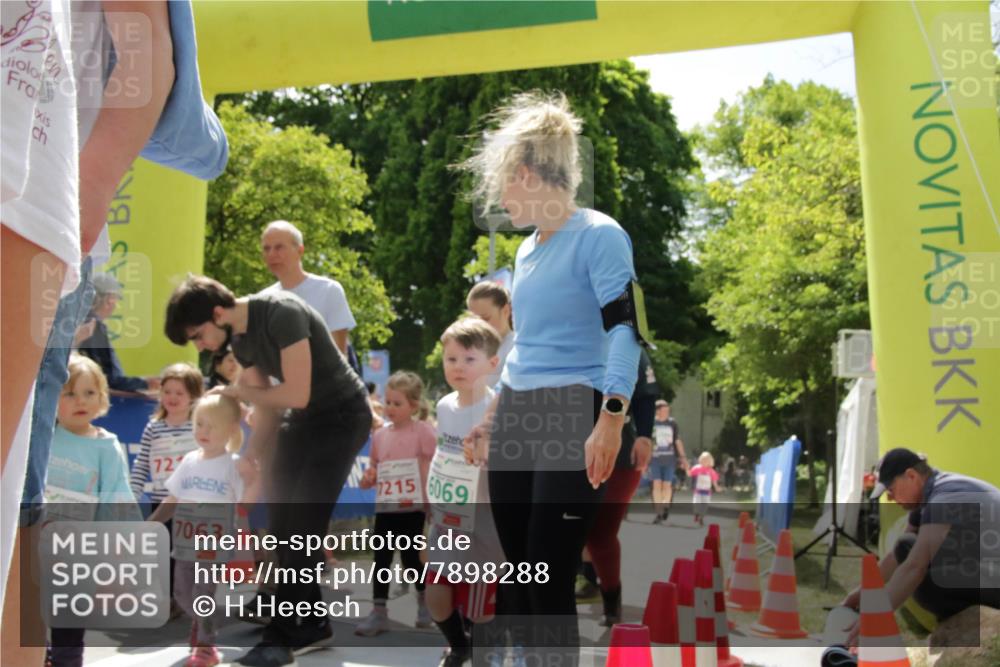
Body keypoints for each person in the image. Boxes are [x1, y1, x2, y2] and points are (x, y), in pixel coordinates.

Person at [3, 3, 227, 651]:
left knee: (14, 498)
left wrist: (91, 190)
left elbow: (141, 30)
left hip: (27, 190)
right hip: (36, 195)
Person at [461, 92, 642, 665]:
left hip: (576, 405)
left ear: (524, 174)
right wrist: (491, 418)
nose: (499, 200)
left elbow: (626, 331)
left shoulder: (600, 234)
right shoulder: (525, 252)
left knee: (548, 572)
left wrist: (611, 418)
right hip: (520, 411)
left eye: (503, 187)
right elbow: (523, 351)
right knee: (520, 570)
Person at [165, 275, 371, 667]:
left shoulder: (282, 312)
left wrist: (237, 391)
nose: (201, 345)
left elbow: (296, 392)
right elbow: (270, 407)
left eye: (198, 334)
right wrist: (251, 453)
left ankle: (281, 634)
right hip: (304, 420)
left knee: (303, 525)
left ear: (218, 313)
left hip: (343, 415)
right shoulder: (241, 342)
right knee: (281, 525)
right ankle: (313, 624)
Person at [832, 448, 1000, 657]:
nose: (891, 499)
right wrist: (858, 594)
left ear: (911, 476)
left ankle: (969, 626)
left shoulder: (946, 494)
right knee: (906, 547)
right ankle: (958, 626)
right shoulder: (933, 492)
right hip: (988, 569)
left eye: (891, 490)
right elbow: (897, 555)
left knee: (924, 587)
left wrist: (875, 618)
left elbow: (915, 566)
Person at [44, 354, 140, 666]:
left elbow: (116, 503)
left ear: (102, 398)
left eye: (89, 392)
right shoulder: (42, 438)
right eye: (69, 393)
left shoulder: (106, 446)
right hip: (33, 546)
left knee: (68, 625)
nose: (80, 401)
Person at [421, 318, 507, 666]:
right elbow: (444, 455)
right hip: (448, 518)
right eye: (450, 359)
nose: (457, 367)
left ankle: (486, 652)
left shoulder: (499, 407)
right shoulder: (443, 406)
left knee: (481, 605)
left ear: (492, 364)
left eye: (468, 359)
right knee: (436, 595)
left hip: (486, 518)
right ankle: (459, 646)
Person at [150, 394, 257, 667]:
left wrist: (246, 550)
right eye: (199, 424)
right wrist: (151, 522)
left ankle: (207, 646)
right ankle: (201, 624)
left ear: (231, 429)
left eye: (212, 426)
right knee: (182, 594)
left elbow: (244, 505)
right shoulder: (189, 461)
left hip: (214, 544)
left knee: (203, 594)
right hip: (185, 542)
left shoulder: (233, 464)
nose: (203, 432)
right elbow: (172, 499)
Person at [577, 349, 658, 625]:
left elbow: (646, 396)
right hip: (563, 449)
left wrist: (645, 437)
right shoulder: (562, 333)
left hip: (618, 453)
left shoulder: (624, 340)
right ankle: (581, 585)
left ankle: (611, 601)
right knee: (563, 529)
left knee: (601, 533)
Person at [355, 371, 436, 636]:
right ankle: (379, 612)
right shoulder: (380, 435)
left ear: (413, 405)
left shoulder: (423, 432)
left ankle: (425, 603)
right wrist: (370, 477)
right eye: (387, 402)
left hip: (413, 508)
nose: (390, 408)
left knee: (412, 559)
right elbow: (376, 466)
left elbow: (432, 467)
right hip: (386, 507)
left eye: (397, 403)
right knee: (381, 559)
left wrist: (431, 503)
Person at [258, 220, 361, 373]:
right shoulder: (262, 300)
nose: (272, 254)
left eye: (279, 247)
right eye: (267, 248)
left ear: (300, 250)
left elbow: (339, 356)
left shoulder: (329, 290)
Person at [129, 363, 203, 503]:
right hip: (161, 504)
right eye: (167, 392)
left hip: (193, 505)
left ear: (193, 396)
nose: (172, 397)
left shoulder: (199, 427)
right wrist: (132, 496)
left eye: (179, 393)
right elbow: (142, 465)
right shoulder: (153, 428)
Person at [77, 273, 162, 393]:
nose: (116, 305)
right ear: (109, 300)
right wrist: (144, 383)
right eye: (116, 299)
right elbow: (109, 378)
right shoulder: (94, 327)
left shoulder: (79, 323)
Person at [466, 282, 514, 387]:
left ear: (506, 311)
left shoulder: (518, 349)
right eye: (474, 320)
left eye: (486, 318)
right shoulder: (468, 351)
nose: (480, 326)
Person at [649, 400, 688, 524]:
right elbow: (647, 441)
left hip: (669, 459)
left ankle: (665, 506)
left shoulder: (672, 423)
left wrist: (683, 458)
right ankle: (659, 512)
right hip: (655, 459)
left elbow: (677, 440)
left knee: (667, 485)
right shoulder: (651, 423)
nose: (667, 412)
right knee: (656, 485)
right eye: (664, 409)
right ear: (658, 410)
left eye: (668, 410)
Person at [689, 452, 721, 526]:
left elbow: (714, 481)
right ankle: (696, 514)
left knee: (704, 506)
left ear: (710, 462)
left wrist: (716, 487)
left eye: (706, 460)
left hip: (707, 492)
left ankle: (701, 518)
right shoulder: (697, 468)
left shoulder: (711, 471)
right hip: (698, 491)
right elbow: (690, 473)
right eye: (703, 460)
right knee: (696, 504)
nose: (704, 462)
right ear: (700, 460)